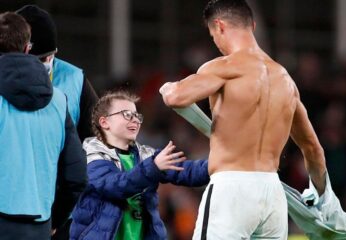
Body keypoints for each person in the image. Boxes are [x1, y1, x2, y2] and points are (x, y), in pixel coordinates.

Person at [159, 0, 326, 239]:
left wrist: (167, 89)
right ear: (253, 25)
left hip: (232, 188)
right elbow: (313, 149)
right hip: (273, 194)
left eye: (212, 35)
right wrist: (322, 197)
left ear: (219, 26)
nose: (215, 42)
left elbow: (176, 98)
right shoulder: (286, 81)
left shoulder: (224, 67)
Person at [69, 90, 209, 240]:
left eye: (137, 115)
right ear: (104, 122)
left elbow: (187, 171)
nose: (135, 120)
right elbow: (116, 186)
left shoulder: (145, 155)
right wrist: (153, 167)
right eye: (127, 115)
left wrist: (220, 164)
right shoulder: (91, 155)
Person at [0, 12, 87, 239]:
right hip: (39, 223)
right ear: (27, 48)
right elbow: (76, 176)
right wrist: (54, 220)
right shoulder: (59, 100)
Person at [16, 4, 99, 141]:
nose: (48, 61)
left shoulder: (75, 80)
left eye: (50, 55)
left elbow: (99, 141)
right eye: (39, 59)